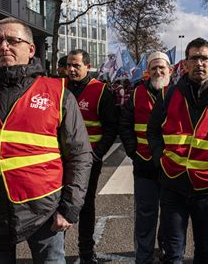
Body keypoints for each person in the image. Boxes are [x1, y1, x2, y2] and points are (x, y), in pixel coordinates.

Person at [0, 17, 93, 263]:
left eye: (13, 40)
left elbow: (80, 155)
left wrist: (69, 208)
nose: (4, 46)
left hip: (45, 212)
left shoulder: (57, 94)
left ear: (31, 49)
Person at [147, 37, 208, 263]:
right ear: (186, 63)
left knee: (204, 248)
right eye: (194, 58)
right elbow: (153, 132)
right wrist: (160, 161)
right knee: (173, 252)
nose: (199, 63)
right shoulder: (167, 94)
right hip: (173, 183)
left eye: (204, 58)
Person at [66, 49, 118, 263]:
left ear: (88, 66)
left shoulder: (101, 91)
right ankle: (56, 252)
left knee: (86, 206)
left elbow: (111, 127)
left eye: (76, 65)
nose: (71, 69)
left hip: (88, 162)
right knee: (58, 206)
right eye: (69, 65)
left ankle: (86, 253)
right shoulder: (59, 88)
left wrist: (96, 156)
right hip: (61, 161)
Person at [119, 51, 172, 263]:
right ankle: (144, 257)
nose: (158, 72)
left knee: (170, 216)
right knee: (145, 216)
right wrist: (133, 152)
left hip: (171, 167)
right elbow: (124, 125)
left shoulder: (177, 94)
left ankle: (167, 250)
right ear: (147, 72)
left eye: (162, 68)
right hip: (144, 166)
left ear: (170, 70)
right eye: (153, 68)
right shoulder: (135, 94)